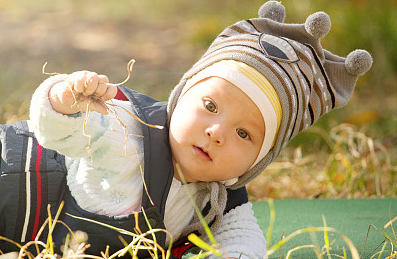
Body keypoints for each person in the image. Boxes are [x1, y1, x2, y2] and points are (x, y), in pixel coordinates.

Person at [0, 1, 372, 258]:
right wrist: (64, 97)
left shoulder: (220, 201)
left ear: (257, 163)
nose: (216, 132)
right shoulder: (128, 124)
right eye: (210, 106)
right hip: (11, 176)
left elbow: (243, 241)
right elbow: (54, 132)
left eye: (244, 134)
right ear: (180, 96)